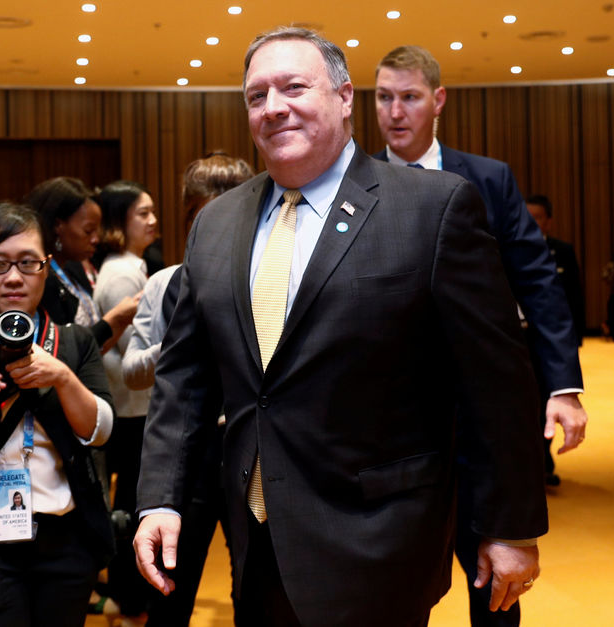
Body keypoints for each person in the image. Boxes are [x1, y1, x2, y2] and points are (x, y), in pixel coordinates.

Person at [134, 27, 546, 627]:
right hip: (257, 540)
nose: (273, 107)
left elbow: (496, 384)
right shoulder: (216, 225)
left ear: (346, 97)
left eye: (294, 87)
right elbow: (183, 380)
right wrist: (161, 500)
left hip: (379, 541)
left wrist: (510, 526)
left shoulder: (433, 210)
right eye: (256, 96)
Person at [373, 44, 586, 627]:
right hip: (392, 417)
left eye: (410, 97)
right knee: (393, 583)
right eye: (384, 98)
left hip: (478, 410)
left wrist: (562, 385)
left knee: (491, 579)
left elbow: (538, 282)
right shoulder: (353, 185)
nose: (395, 112)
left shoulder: (488, 179)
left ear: (437, 101)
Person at [123, 152, 253, 626]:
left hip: (249, 455)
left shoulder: (264, 279)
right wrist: (183, 340)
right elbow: (133, 372)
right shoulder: (164, 284)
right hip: (190, 457)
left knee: (255, 590)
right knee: (170, 591)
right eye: (203, 218)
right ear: (189, 219)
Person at [0, 203, 114, 626]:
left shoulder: (73, 342)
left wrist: (64, 378)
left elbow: (102, 430)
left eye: (27, 263)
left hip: (67, 537)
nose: (13, 277)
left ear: (46, 268)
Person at [93, 180, 158, 625]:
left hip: (134, 407)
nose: (154, 221)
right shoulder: (120, 273)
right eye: (143, 214)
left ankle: (128, 596)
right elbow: (128, 352)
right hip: (130, 409)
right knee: (131, 507)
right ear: (119, 223)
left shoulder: (131, 266)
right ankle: (127, 597)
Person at [23, 176, 139, 351]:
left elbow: (94, 348)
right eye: (88, 231)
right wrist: (115, 319)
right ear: (57, 226)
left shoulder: (73, 266)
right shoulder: (40, 278)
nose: (96, 239)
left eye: (97, 230)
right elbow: (60, 351)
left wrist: (120, 320)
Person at [525, 193, 585, 485]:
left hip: (547, 340)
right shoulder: (508, 249)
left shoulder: (562, 250)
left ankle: (543, 456)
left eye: (537, 217)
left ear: (548, 221)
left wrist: (575, 341)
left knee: (550, 397)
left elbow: (573, 297)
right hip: (519, 338)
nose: (532, 222)